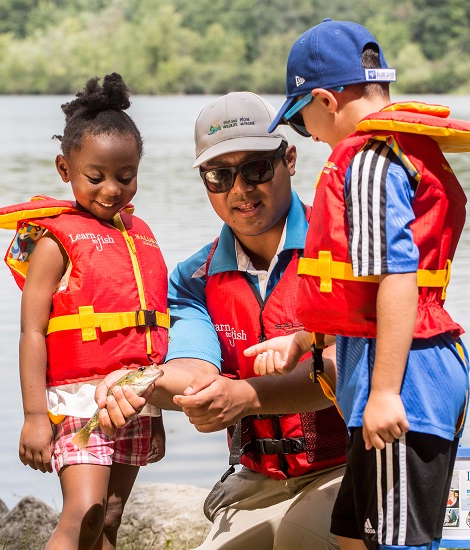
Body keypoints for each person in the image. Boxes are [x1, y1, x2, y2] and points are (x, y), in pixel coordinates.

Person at [248, 19, 470, 550]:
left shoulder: (369, 162)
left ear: (326, 101)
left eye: (302, 119)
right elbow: (357, 294)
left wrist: (382, 392)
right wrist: (301, 340)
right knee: (354, 537)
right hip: (401, 371)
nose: (307, 135)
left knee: (396, 544)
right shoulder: (392, 151)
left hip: (407, 383)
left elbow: (399, 276)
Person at [95, 91, 349, 549]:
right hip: (258, 479)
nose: (240, 189)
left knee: (297, 539)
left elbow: (345, 369)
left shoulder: (341, 253)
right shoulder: (194, 278)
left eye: (255, 168)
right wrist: (139, 383)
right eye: (219, 175)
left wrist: (247, 396)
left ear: (289, 159)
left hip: (351, 466)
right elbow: (194, 368)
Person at [0, 73, 169, 550]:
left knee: (108, 516)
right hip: (74, 404)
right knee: (83, 512)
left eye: (125, 177)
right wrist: (33, 416)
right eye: (96, 177)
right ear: (65, 169)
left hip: (133, 402)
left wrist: (158, 413)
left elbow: (149, 338)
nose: (112, 189)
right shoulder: (54, 241)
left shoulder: (138, 233)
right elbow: (31, 331)